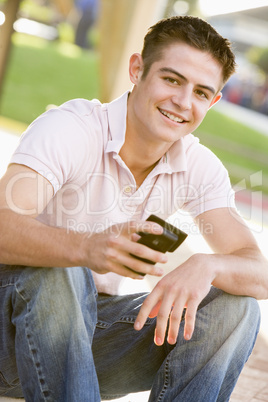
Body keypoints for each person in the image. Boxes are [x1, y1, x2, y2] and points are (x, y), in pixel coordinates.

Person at [0, 15, 266, 402]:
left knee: (237, 310)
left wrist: (209, 265)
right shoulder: (70, 128)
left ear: (214, 101)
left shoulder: (199, 166)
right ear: (137, 69)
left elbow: (260, 273)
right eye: (172, 80)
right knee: (61, 272)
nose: (182, 101)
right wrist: (87, 248)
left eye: (201, 92)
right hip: (8, 327)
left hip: (86, 340)